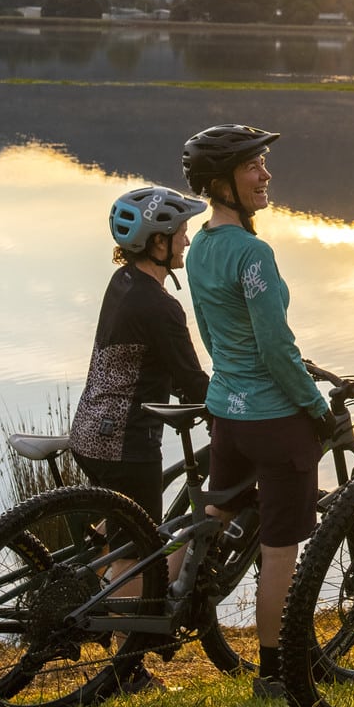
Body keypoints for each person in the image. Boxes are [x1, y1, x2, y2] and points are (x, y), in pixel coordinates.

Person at [182, 123, 339, 699]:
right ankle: (274, 670)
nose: (266, 174)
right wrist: (317, 407)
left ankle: (155, 606)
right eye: (254, 166)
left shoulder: (198, 246)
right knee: (280, 550)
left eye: (264, 163)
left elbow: (214, 333)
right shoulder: (252, 253)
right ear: (223, 182)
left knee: (216, 514)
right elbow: (275, 348)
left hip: (228, 412)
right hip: (275, 421)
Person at [69, 184, 211, 521]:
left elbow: (149, 361)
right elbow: (191, 381)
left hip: (89, 435)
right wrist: (232, 410)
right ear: (159, 241)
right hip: (126, 446)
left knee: (119, 532)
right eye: (182, 233)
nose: (187, 242)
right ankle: (128, 572)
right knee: (139, 554)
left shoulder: (123, 281)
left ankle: (93, 571)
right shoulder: (160, 306)